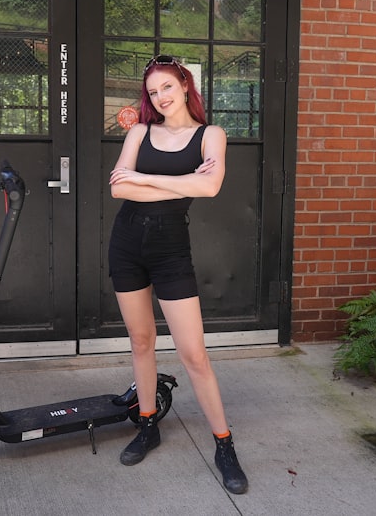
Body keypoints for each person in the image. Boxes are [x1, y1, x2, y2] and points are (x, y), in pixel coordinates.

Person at [108, 54, 249, 495]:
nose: (160, 97)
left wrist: (145, 178)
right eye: (152, 92)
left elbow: (209, 187)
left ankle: (223, 444)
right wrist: (179, 179)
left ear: (185, 86)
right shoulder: (139, 132)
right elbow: (118, 188)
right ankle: (147, 424)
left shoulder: (211, 135)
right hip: (126, 246)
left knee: (194, 355)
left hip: (171, 252)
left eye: (167, 87)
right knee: (142, 341)